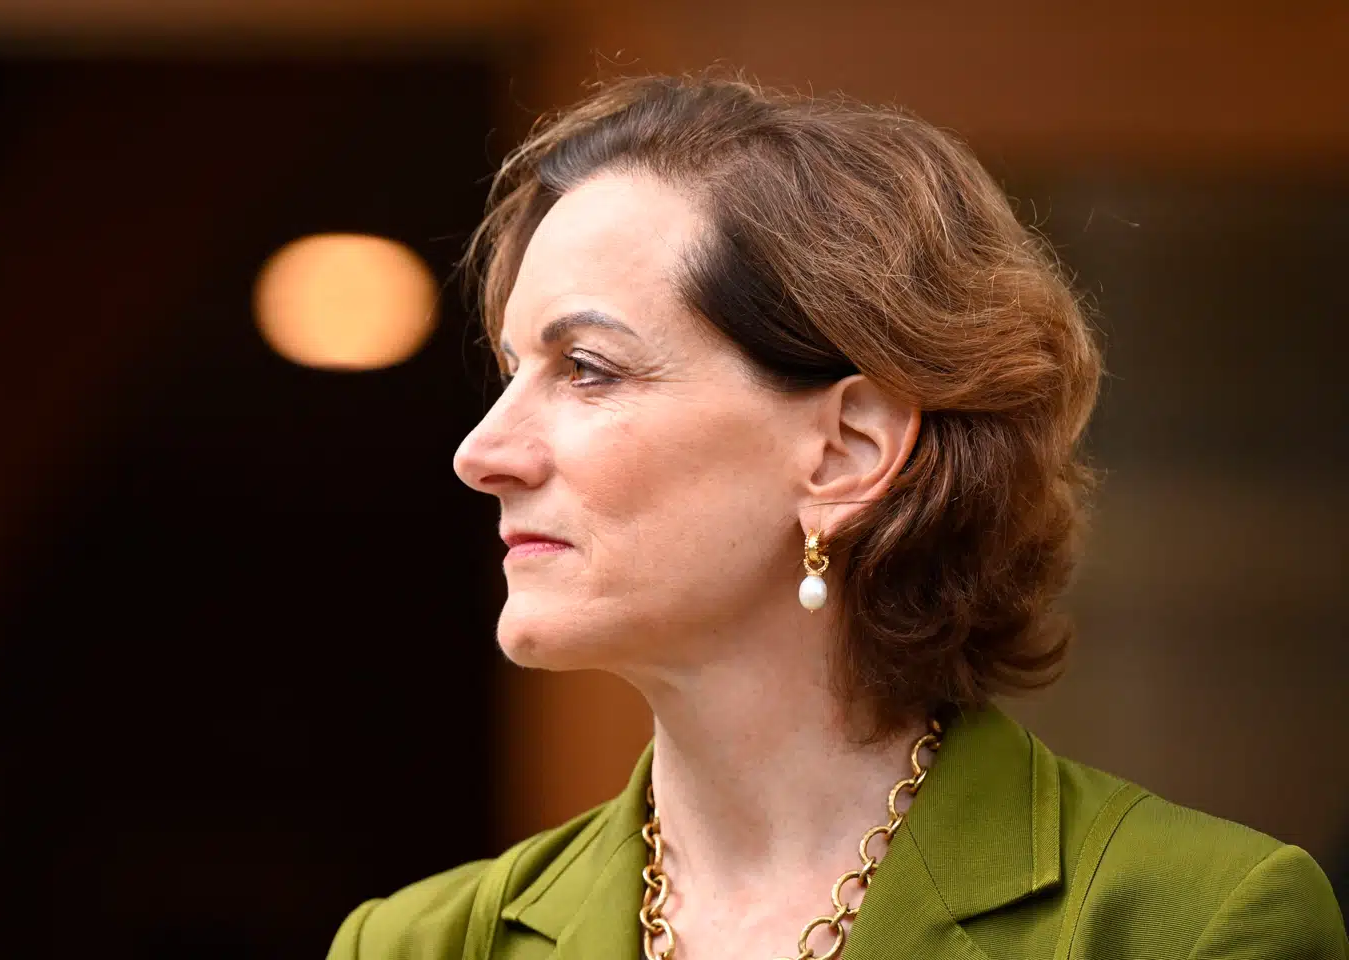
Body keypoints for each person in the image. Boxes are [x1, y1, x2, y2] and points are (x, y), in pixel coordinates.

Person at [327, 73, 1347, 960]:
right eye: (512, 372)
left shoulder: (1187, 926)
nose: (481, 453)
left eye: (587, 370)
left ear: (846, 450)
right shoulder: (417, 943)